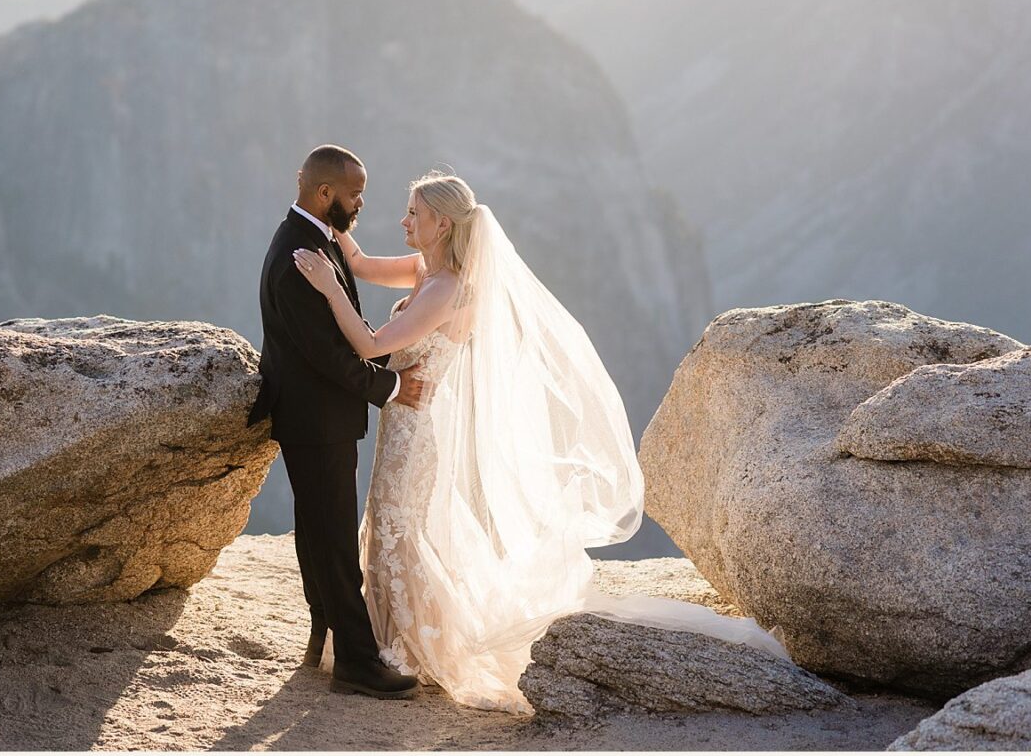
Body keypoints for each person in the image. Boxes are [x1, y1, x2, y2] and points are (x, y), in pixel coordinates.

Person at [294, 170, 788, 713]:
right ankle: (392, 642)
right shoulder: (422, 268)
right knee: (389, 524)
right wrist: (332, 221)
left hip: (421, 431)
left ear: (440, 223)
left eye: (413, 212)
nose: (403, 221)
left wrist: (327, 287)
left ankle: (413, 649)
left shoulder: (447, 289)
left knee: (402, 528)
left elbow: (367, 343)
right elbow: (362, 264)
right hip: (403, 422)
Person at [247, 144, 425, 700]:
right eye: (355, 194)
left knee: (319, 533)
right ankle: (356, 662)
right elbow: (327, 355)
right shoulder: (299, 256)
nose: (362, 203)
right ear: (325, 194)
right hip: (316, 417)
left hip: (311, 416)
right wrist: (391, 387)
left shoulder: (308, 239)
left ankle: (322, 632)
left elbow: (346, 315)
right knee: (335, 541)